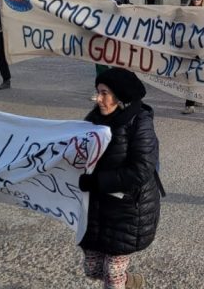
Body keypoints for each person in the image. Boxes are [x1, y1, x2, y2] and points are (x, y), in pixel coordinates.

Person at [77, 68, 161, 288]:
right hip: (96, 209)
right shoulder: (93, 119)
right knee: (93, 269)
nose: (99, 99)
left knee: (112, 275)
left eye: (104, 93)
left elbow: (141, 169)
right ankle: (131, 282)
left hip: (127, 210)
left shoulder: (139, 123)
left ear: (120, 96)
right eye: (97, 92)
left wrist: (97, 181)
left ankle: (121, 281)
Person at [182, 0, 204, 114]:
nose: (195, 0)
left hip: (203, 49)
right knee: (191, 77)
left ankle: (197, 98)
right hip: (189, 49)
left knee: (200, 75)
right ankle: (189, 105)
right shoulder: (186, 11)